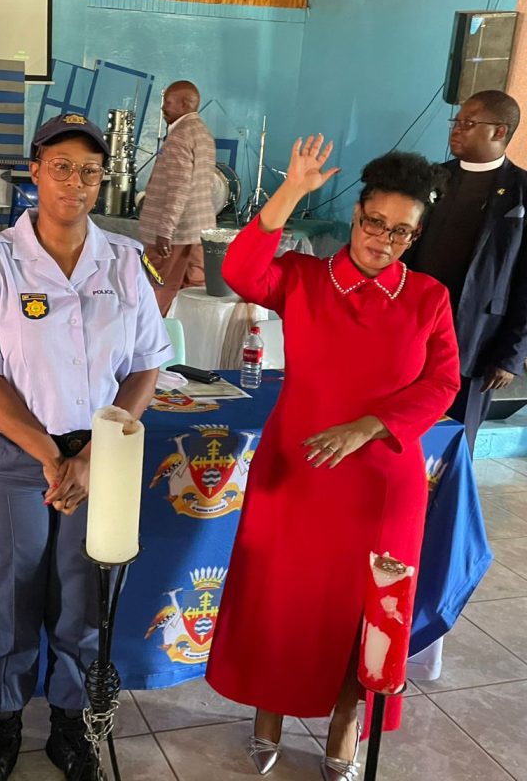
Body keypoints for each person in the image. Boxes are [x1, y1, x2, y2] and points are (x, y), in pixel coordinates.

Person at [204, 138, 459, 780]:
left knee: (364, 609)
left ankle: (346, 729)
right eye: (376, 223)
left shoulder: (428, 298)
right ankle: (268, 720)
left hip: (382, 483)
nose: (385, 240)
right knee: (280, 600)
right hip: (298, 473)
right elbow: (239, 272)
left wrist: (373, 425)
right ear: (357, 215)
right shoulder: (304, 278)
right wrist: (290, 191)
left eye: (402, 232)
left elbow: (443, 382)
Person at [0, 113, 172, 781]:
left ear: (103, 181)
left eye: (91, 170)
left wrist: (97, 454)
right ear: (36, 170)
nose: (76, 180)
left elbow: (144, 368)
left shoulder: (126, 261)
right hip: (14, 456)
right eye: (62, 165)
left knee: (83, 596)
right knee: (9, 596)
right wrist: (49, 454)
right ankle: (3, 723)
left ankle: (69, 727)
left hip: (101, 455)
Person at [406, 90, 527, 453]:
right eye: (456, 122)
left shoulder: (522, 192)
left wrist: (511, 355)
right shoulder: (428, 180)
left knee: (453, 443)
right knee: (402, 431)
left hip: (477, 340)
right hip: (412, 330)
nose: (456, 130)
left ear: (499, 131)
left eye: (468, 123)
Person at [138, 80, 217, 314]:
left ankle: (153, 344)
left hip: (174, 233)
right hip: (200, 229)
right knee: (194, 292)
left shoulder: (180, 136)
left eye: (168, 103)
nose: (163, 108)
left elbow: (178, 188)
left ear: (185, 104)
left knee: (157, 289)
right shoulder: (203, 132)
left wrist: (165, 231)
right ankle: (185, 341)